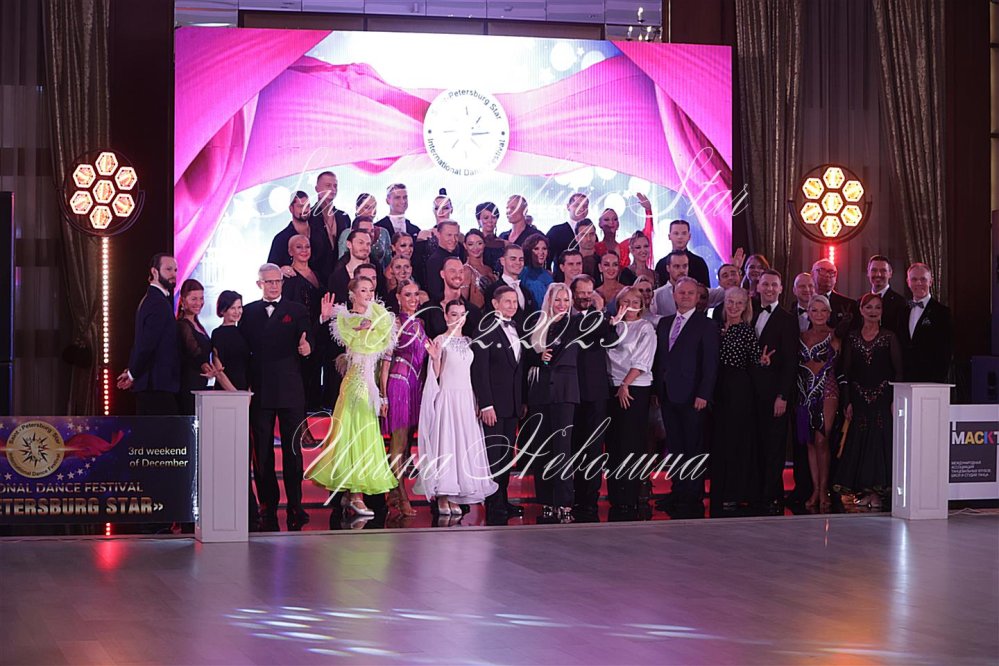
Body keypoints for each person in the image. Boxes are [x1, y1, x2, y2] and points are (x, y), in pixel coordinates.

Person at [307, 276, 398, 516]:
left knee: (365, 436)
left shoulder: (378, 317)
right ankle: (355, 495)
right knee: (353, 436)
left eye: (371, 290)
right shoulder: (346, 319)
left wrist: (373, 325)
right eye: (363, 290)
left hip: (369, 388)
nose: (368, 295)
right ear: (352, 294)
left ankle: (351, 496)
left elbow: (385, 337)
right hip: (354, 386)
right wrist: (366, 327)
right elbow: (359, 344)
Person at [239, 263, 314, 531]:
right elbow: (242, 351)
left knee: (293, 451)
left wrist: (308, 347)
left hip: (290, 388)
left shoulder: (297, 310)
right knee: (262, 452)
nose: (273, 285)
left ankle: (296, 505)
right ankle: (267, 506)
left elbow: (309, 339)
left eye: (277, 281)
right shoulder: (248, 312)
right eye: (268, 281)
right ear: (259, 284)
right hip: (260, 390)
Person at [418, 299, 500, 517]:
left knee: (462, 446)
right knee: (447, 444)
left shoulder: (469, 341)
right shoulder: (440, 340)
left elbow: (474, 374)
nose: (459, 318)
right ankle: (443, 497)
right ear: (446, 316)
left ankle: (454, 496)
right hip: (447, 398)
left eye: (462, 314)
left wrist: (477, 400)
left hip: (466, 399)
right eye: (454, 314)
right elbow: (435, 375)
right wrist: (435, 359)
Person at [653, 277, 719, 517]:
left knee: (693, 447)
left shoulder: (706, 325)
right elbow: (660, 360)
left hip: (693, 398)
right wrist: (657, 390)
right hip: (668, 395)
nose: (686, 297)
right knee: (676, 447)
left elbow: (710, 364)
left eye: (691, 293)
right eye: (681, 293)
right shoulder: (664, 323)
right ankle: (678, 491)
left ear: (698, 297)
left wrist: (704, 394)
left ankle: (692, 496)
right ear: (674, 295)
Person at [835, 293, 903, 510]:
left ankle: (878, 494)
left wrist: (895, 399)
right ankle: (865, 492)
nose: (873, 311)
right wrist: (847, 401)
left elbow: (898, 371)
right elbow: (846, 372)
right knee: (860, 443)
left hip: (883, 399)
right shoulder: (852, 338)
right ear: (861, 310)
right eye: (869, 307)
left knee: (879, 443)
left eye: (877, 307)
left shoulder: (889, 337)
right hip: (858, 398)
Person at [524, 282, 582, 524]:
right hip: (539, 392)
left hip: (564, 393)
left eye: (566, 300)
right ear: (549, 301)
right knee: (542, 449)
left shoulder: (575, 324)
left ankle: (564, 502)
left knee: (562, 449)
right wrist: (538, 357)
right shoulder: (537, 324)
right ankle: (546, 500)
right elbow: (527, 355)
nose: (562, 304)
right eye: (557, 300)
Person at [471, 286, 527, 523]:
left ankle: (503, 499)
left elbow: (519, 368)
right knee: (494, 455)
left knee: (506, 455)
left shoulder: (518, 328)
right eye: (507, 302)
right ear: (495, 304)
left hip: (512, 404)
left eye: (514, 301)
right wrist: (486, 404)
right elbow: (480, 370)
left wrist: (522, 400)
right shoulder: (485, 329)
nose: (512, 306)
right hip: (493, 406)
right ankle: (493, 503)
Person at [604, 285, 656, 520]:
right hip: (612, 386)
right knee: (614, 443)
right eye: (626, 301)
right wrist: (612, 324)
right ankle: (616, 495)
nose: (631, 305)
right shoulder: (612, 326)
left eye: (636, 301)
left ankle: (631, 496)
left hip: (634, 387)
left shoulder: (646, 327)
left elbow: (643, 360)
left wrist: (626, 384)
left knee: (631, 442)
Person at [209, 290, 259, 529]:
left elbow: (249, 366)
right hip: (226, 396)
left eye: (240, 307)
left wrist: (246, 393)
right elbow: (218, 368)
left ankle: (249, 507)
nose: (237, 312)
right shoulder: (217, 334)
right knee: (226, 451)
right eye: (232, 308)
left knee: (244, 452)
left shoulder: (245, 332)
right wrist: (235, 395)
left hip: (245, 395)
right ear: (223, 310)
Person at [750, 270, 799, 512]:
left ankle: (772, 496)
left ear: (781, 289)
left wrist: (783, 396)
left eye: (774, 285)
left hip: (774, 395)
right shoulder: (749, 313)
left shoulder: (788, 320)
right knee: (755, 445)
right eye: (765, 284)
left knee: (774, 446)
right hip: (751, 393)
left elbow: (791, 362)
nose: (769, 288)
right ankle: (756, 493)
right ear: (758, 286)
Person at [379, 280, 428, 517]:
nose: (413, 299)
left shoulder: (419, 323)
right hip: (399, 384)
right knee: (398, 443)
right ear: (398, 297)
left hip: (415, 385)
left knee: (406, 442)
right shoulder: (394, 322)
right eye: (407, 294)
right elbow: (385, 360)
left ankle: (393, 493)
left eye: (416, 294)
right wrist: (383, 395)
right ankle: (401, 496)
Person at [711, 287, 761, 515]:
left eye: (738, 303)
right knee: (718, 441)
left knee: (735, 441)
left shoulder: (747, 331)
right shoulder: (714, 327)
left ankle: (734, 493)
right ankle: (718, 492)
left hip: (738, 389)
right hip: (715, 387)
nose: (733, 307)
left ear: (745, 306)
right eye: (730, 302)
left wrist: (764, 362)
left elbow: (756, 362)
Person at [569, 275, 612, 521]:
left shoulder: (600, 319)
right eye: (582, 292)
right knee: (573, 447)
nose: (586, 297)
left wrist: (601, 312)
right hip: (572, 392)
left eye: (589, 292)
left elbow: (609, 340)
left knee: (593, 449)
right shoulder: (566, 319)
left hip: (596, 394)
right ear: (573, 293)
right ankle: (572, 497)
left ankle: (589, 500)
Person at [117, 253, 180, 415]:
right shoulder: (158, 303)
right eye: (168, 269)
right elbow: (146, 344)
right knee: (162, 430)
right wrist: (132, 373)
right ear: (154, 272)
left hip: (152, 384)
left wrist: (132, 371)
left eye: (175, 270)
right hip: (155, 386)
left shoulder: (153, 299)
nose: (173, 274)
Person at [796, 295, 840, 512]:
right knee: (810, 442)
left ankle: (824, 490)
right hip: (803, 391)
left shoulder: (835, 336)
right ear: (808, 313)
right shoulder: (801, 336)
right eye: (815, 310)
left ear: (829, 313)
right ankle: (815, 489)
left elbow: (843, 367)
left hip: (827, 390)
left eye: (823, 311)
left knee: (823, 439)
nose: (819, 315)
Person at [282, 234, 325, 411]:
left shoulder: (317, 273)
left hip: (320, 330)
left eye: (307, 246)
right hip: (301, 335)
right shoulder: (288, 277)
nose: (304, 250)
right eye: (299, 247)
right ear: (290, 251)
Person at [900, 263, 952, 383]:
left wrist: (938, 381)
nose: (918, 283)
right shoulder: (902, 311)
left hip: (931, 380)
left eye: (923, 279)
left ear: (930, 281)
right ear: (908, 282)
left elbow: (946, 350)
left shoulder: (942, 312)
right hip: (905, 379)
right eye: (914, 279)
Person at [267, 191, 330, 284]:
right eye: (300, 206)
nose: (305, 210)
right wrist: (280, 270)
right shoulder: (281, 239)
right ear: (291, 209)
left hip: (322, 288)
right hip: (294, 289)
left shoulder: (320, 233)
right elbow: (270, 270)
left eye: (307, 206)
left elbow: (329, 261)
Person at [175, 278, 213, 415]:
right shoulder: (182, 325)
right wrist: (206, 366)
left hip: (200, 384)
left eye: (201, 298)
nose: (199, 303)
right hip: (188, 384)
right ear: (183, 300)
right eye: (194, 299)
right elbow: (194, 352)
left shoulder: (197, 324)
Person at [422, 256, 483, 339]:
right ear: (442, 274)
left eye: (461, 271)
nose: (458, 275)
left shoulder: (474, 312)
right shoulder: (428, 309)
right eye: (452, 271)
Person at [651, 251, 724, 318]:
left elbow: (723, 293)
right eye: (677, 266)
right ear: (668, 268)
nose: (682, 270)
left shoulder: (699, 291)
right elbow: (650, 317)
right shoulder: (657, 295)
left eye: (685, 266)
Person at [309, 171, 351, 276]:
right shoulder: (308, 217)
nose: (333, 189)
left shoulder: (344, 217)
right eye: (328, 185)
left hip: (341, 275)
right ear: (317, 188)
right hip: (315, 275)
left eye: (335, 186)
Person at [482, 244, 536, 325]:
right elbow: (491, 319)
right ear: (502, 261)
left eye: (521, 259)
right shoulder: (493, 290)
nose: (518, 262)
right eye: (513, 259)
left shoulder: (526, 291)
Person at [329, 228, 386, 303]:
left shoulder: (377, 270)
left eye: (368, 244)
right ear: (349, 244)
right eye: (360, 243)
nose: (365, 247)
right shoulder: (337, 277)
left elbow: (383, 299)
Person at [655, 220, 710, 287]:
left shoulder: (699, 263)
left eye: (684, 233)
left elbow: (706, 291)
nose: (680, 237)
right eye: (676, 233)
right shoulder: (661, 264)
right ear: (669, 236)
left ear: (689, 236)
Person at [812, 258, 859, 336]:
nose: (827, 275)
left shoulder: (849, 305)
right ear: (812, 274)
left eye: (831, 272)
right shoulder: (802, 303)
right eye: (822, 271)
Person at [546, 193, 589, 277]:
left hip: (587, 280)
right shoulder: (556, 231)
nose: (582, 209)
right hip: (561, 280)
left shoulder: (591, 232)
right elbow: (547, 257)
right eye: (577, 205)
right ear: (568, 206)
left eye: (585, 206)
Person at [866, 255, 906, 338]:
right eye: (874, 270)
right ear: (868, 273)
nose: (878, 274)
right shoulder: (860, 302)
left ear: (890, 273)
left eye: (883, 270)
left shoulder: (901, 303)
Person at [424, 220, 462, 302]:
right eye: (449, 235)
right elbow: (435, 292)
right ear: (438, 235)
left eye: (456, 235)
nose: (453, 239)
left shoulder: (459, 255)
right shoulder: (434, 261)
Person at [461, 228, 497, 309]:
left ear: (484, 244)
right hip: (475, 315)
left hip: (491, 313)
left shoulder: (488, 269)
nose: (475, 248)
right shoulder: (466, 270)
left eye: (479, 243)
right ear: (465, 246)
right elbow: (462, 303)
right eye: (470, 244)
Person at [519, 233, 553, 313]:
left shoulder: (549, 275)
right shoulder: (522, 273)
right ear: (529, 251)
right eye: (536, 249)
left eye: (544, 248)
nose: (541, 252)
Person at [474, 201, 507, 273]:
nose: (490, 221)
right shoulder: (471, 244)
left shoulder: (504, 244)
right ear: (479, 221)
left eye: (493, 217)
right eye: (486, 218)